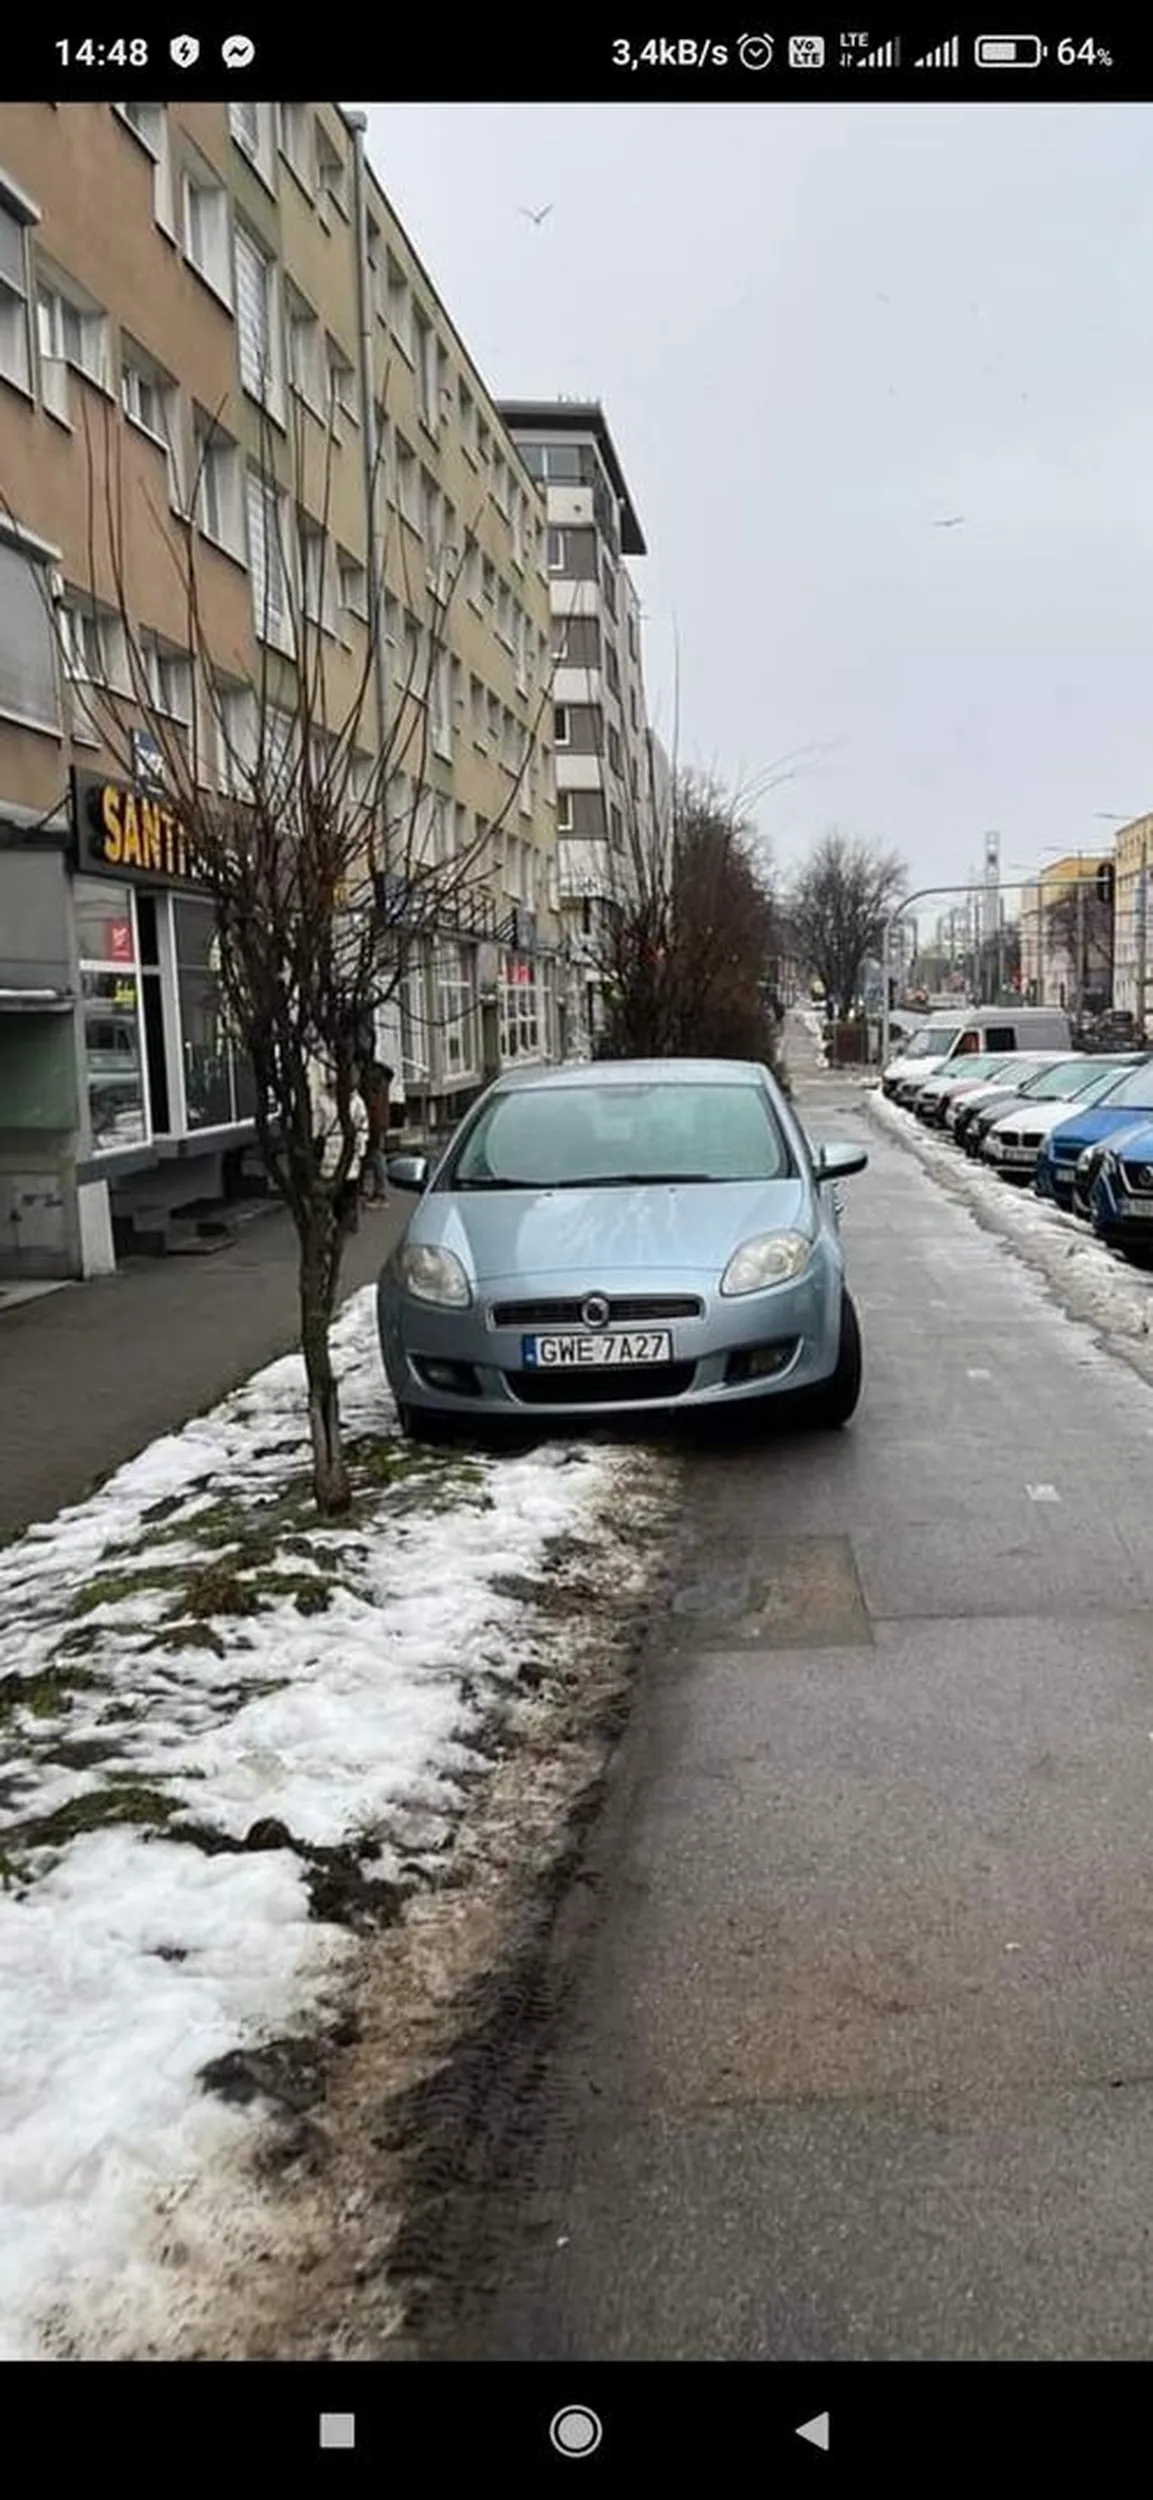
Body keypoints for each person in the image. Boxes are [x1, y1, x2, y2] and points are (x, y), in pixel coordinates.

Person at [307, 1044, 369, 1232]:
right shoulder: (324, 1101)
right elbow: (317, 1126)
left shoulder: (356, 1102)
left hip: (347, 1149)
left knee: (348, 1187)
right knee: (335, 1188)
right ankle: (338, 1219)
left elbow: (362, 1126)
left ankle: (347, 1219)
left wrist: (361, 1147)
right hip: (332, 1150)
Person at [359, 1058, 394, 1207]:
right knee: (372, 1155)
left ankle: (380, 1193)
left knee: (375, 1155)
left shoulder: (371, 1077)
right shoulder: (380, 1075)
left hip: (374, 1123)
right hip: (379, 1121)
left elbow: (372, 1103)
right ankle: (371, 1190)